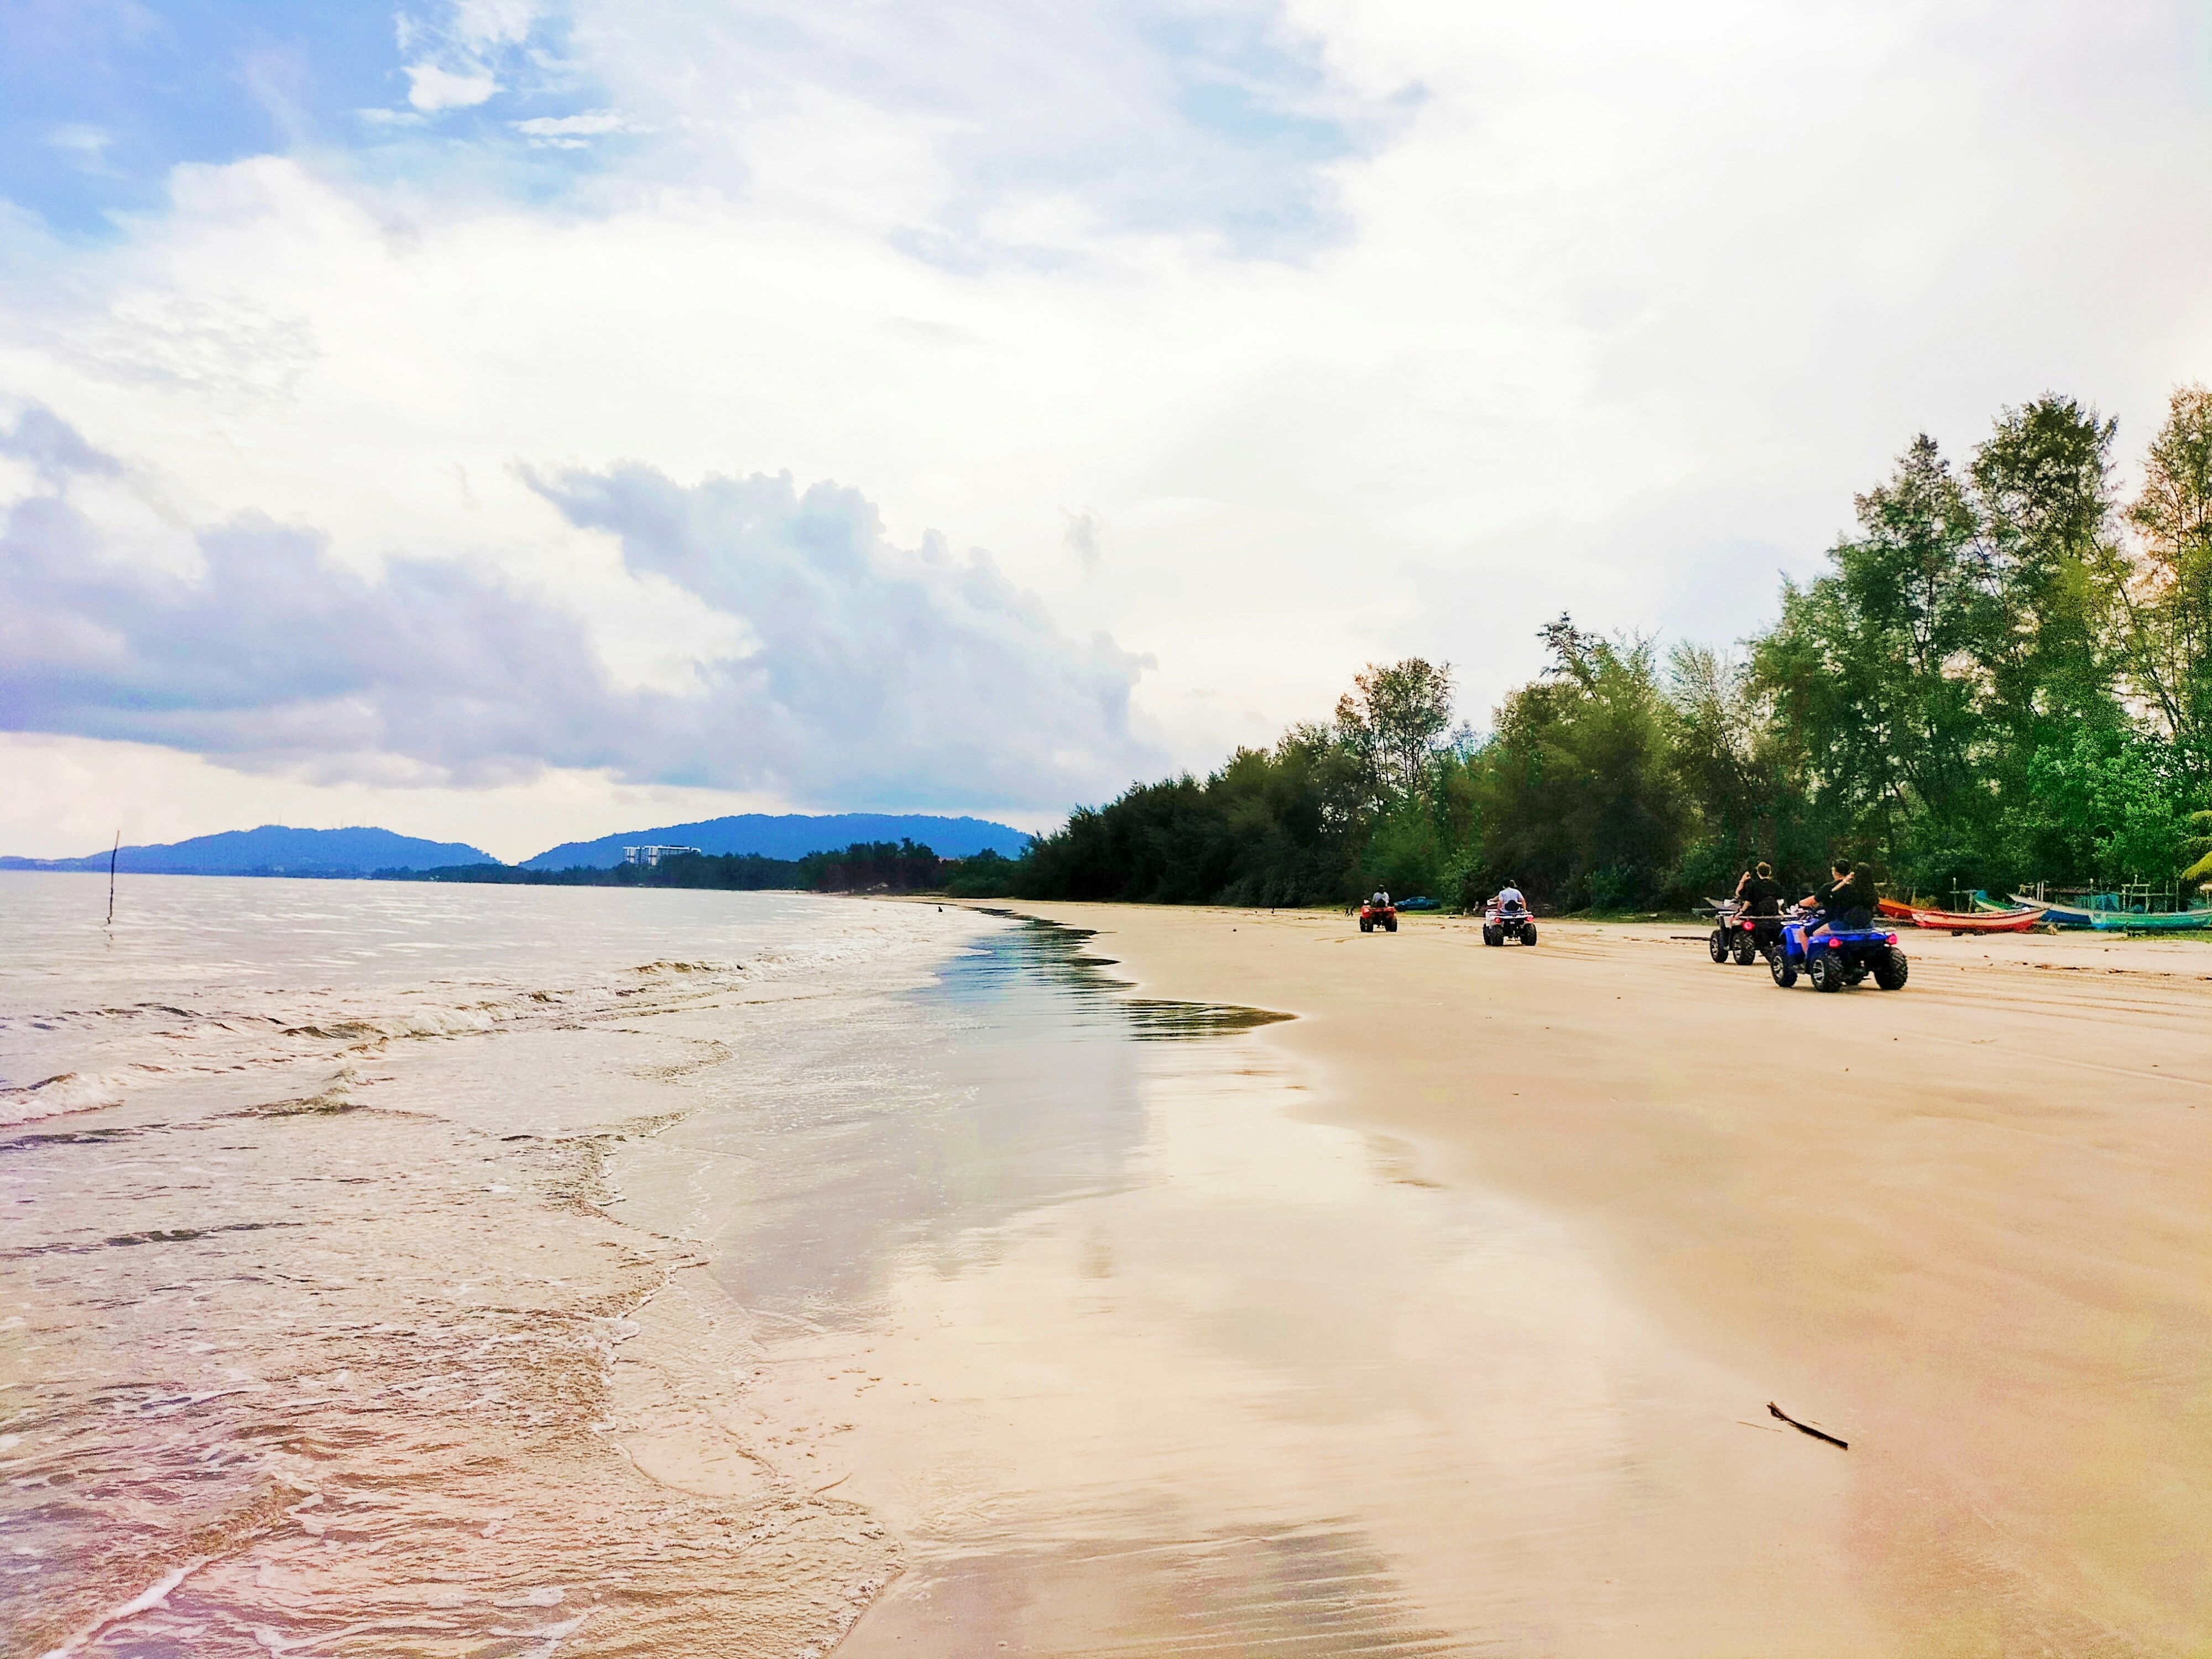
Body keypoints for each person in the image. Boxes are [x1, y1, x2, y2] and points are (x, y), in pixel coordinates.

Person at [1803, 858, 1874, 932]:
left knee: (1807, 933)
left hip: (1840, 921)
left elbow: (1815, 899)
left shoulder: (1829, 887)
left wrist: (1800, 903)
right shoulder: (1861, 889)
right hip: (1866, 922)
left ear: (1835, 872)